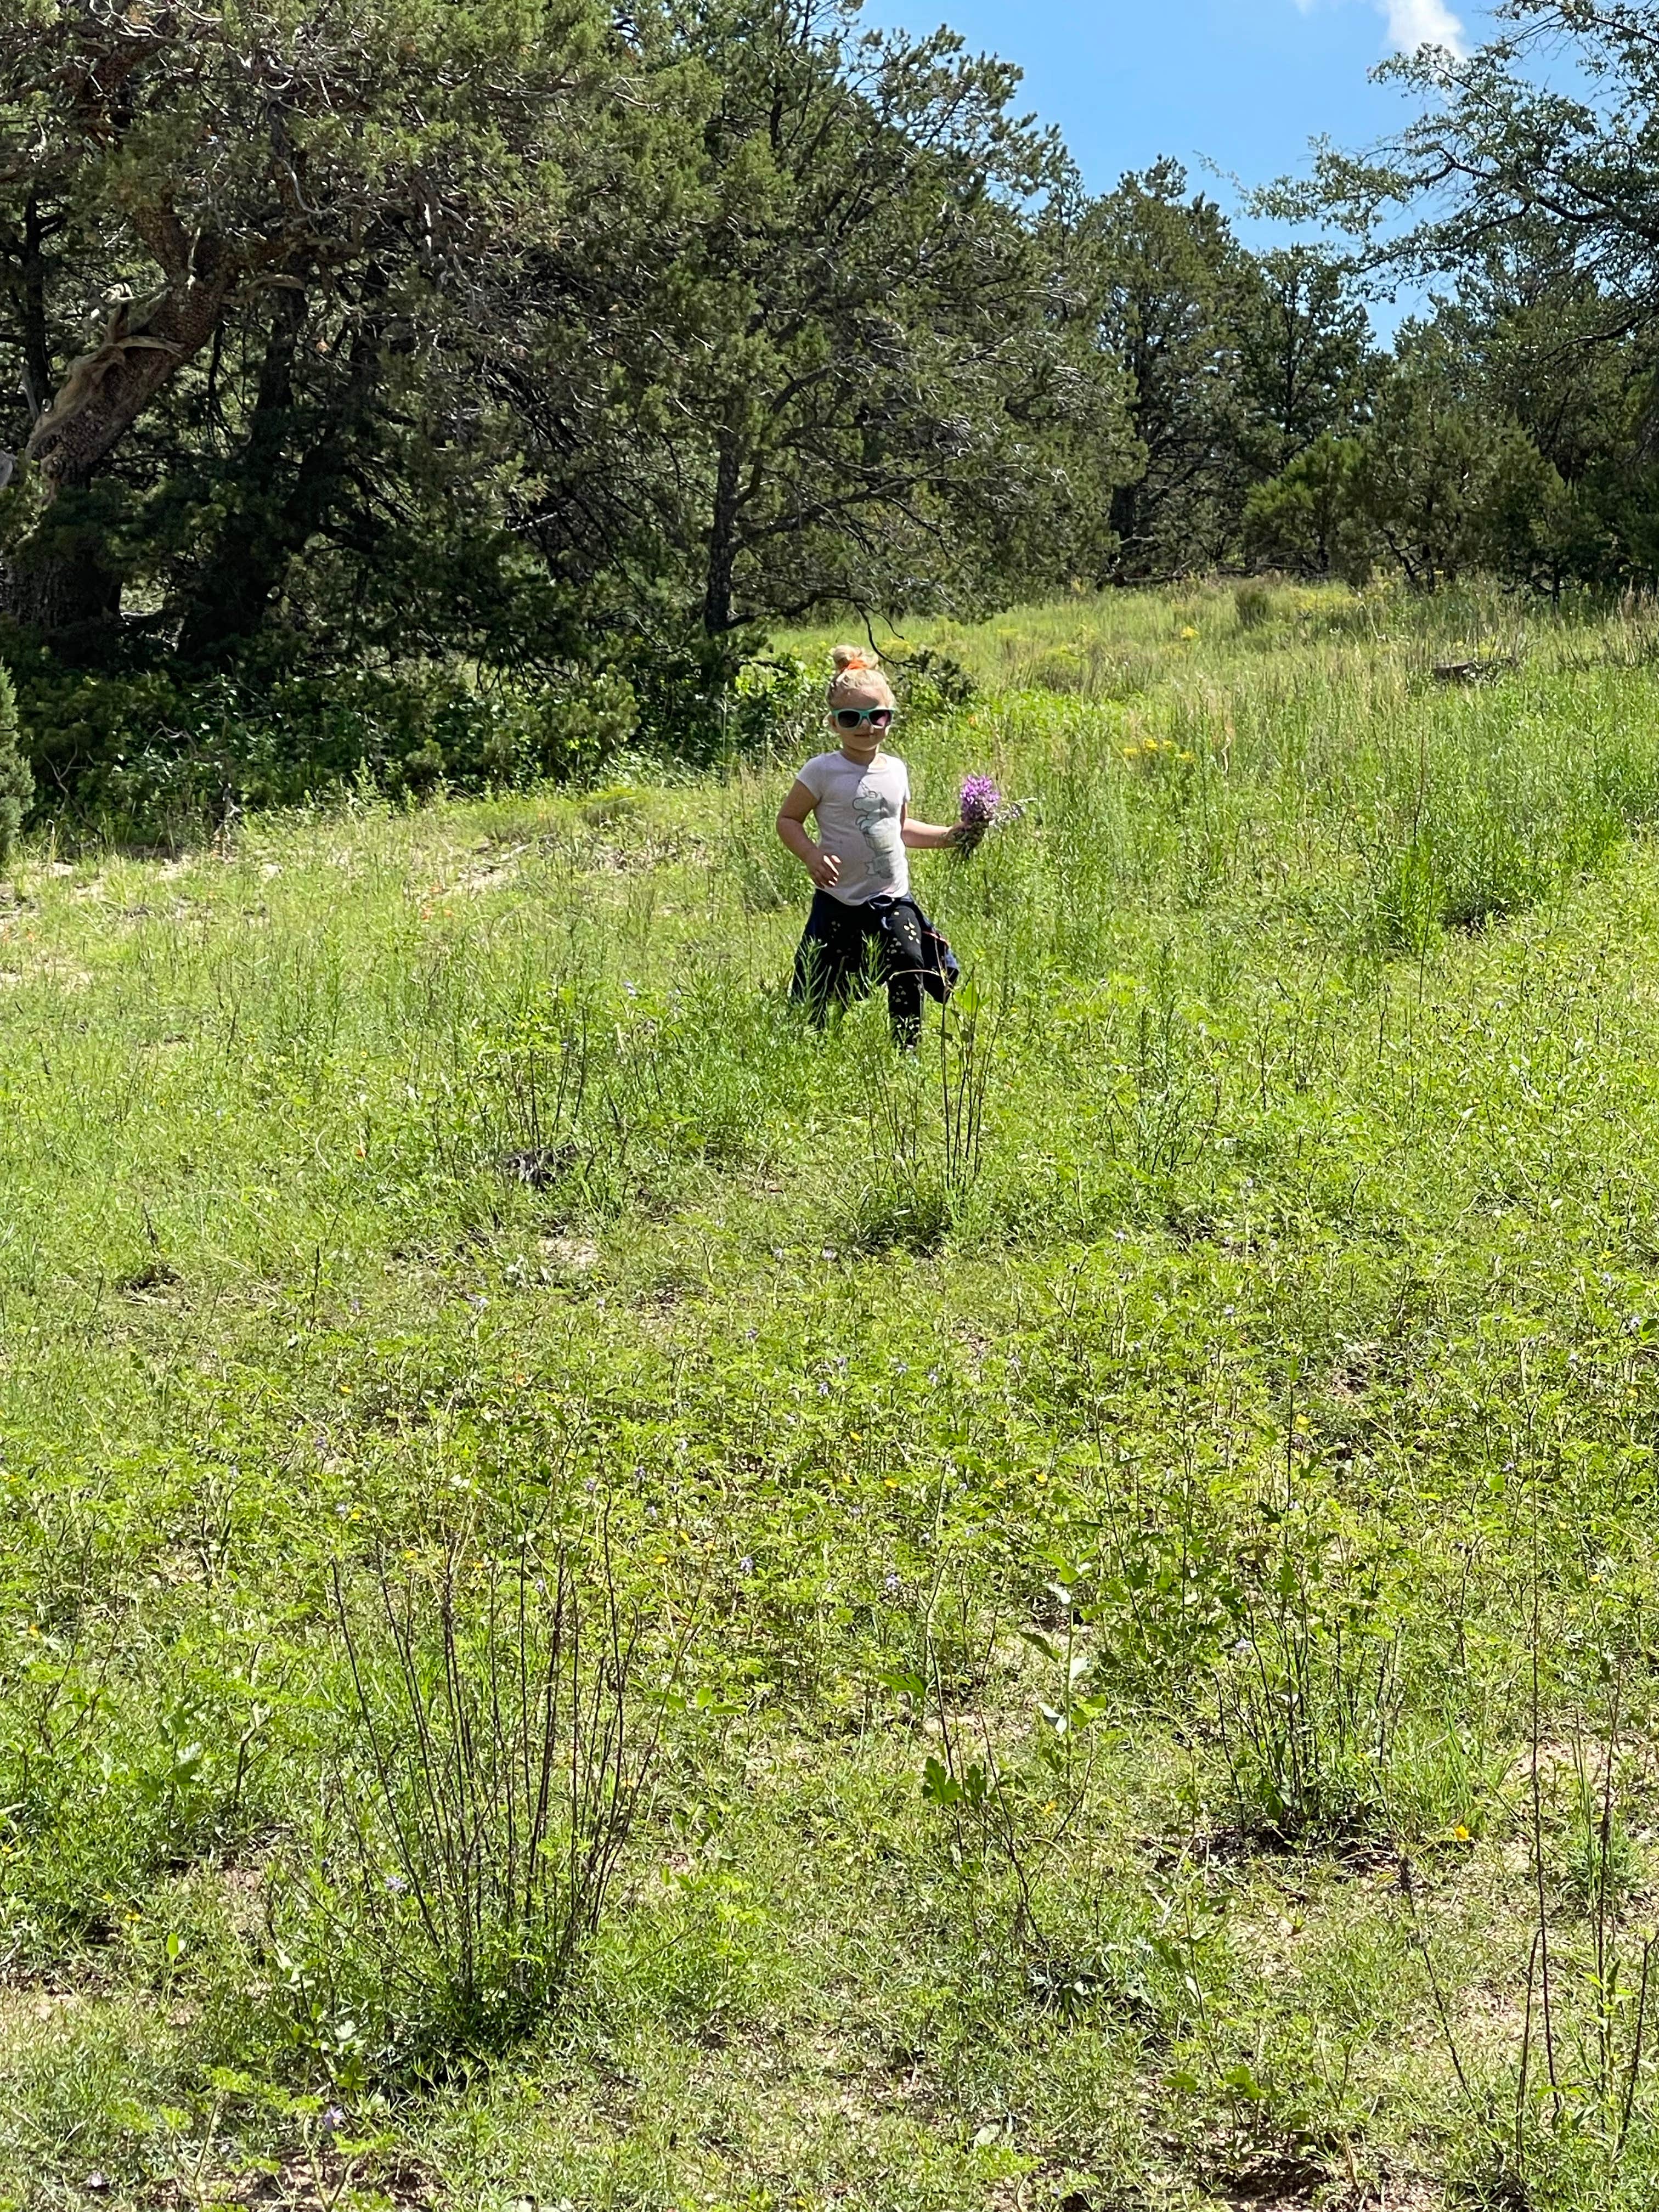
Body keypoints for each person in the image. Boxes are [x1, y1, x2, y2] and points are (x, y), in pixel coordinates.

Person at [776, 646, 963, 1048]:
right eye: (851, 718)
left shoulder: (896, 770)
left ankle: (907, 1048)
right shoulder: (822, 770)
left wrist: (950, 836)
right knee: (818, 981)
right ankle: (809, 1044)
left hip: (891, 897)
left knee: (910, 964)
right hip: (838, 898)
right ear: (833, 723)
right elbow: (788, 820)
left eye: (878, 716)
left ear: (890, 719)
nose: (866, 726)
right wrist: (810, 853)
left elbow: (901, 830)